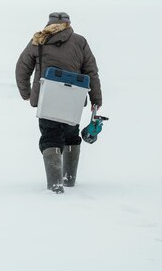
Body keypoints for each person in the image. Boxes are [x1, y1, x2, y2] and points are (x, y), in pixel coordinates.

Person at [15, 12, 102, 193]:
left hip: (47, 99)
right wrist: (96, 99)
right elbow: (91, 72)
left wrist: (26, 93)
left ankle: (55, 185)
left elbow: (22, 67)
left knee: (50, 136)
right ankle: (69, 180)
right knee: (71, 135)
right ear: (68, 24)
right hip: (74, 99)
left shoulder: (39, 40)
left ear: (49, 24)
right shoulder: (80, 41)